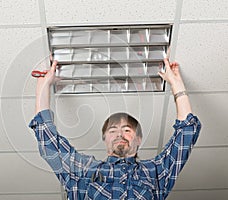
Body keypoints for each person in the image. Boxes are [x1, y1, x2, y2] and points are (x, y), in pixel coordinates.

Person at [29, 59, 201, 200]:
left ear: (139, 139)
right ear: (105, 138)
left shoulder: (155, 172)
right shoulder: (83, 171)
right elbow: (49, 141)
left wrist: (176, 84)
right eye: (112, 130)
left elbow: (186, 133)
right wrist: (43, 87)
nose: (119, 133)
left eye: (127, 130)